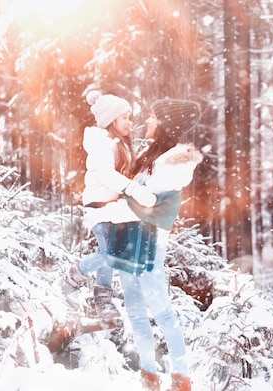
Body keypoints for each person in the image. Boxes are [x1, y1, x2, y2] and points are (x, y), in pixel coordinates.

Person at [83, 99, 202, 391]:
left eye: (151, 117)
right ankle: (149, 375)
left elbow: (140, 206)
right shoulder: (152, 156)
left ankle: (181, 377)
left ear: (164, 124)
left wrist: (101, 213)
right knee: (135, 311)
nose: (146, 122)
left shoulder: (172, 165)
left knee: (160, 310)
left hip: (147, 240)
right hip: (129, 237)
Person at [64, 90, 156, 316]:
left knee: (112, 253)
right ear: (111, 120)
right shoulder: (101, 144)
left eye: (129, 117)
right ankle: (70, 281)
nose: (129, 122)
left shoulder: (119, 144)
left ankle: (102, 299)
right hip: (97, 205)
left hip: (112, 207)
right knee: (108, 254)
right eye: (124, 117)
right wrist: (132, 189)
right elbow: (106, 174)